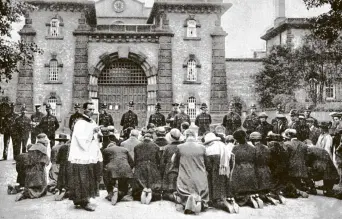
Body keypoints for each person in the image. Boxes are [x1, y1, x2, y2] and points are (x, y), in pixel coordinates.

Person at [68, 101, 103, 211]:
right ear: (84, 110)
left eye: (93, 109)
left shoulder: (91, 121)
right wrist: (93, 132)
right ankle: (83, 201)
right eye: (90, 109)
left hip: (89, 154)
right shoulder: (80, 122)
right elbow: (81, 139)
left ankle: (83, 199)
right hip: (81, 155)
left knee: (88, 177)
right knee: (82, 178)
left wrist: (98, 133)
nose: (92, 112)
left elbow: (95, 136)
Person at [172, 129, 209, 214]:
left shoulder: (180, 147)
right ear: (195, 136)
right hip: (200, 177)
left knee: (183, 189)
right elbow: (207, 164)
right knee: (201, 190)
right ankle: (200, 200)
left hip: (185, 176)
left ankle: (188, 200)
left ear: (186, 136)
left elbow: (175, 162)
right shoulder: (203, 147)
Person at [203, 132, 237, 213]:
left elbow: (207, 164)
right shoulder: (222, 145)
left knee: (213, 181)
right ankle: (224, 197)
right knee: (223, 180)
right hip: (224, 166)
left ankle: (215, 199)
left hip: (214, 164)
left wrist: (208, 169)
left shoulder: (208, 148)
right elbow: (230, 156)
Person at [230, 130, 262, 208]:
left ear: (236, 139)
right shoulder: (253, 148)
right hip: (251, 170)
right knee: (249, 187)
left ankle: (245, 199)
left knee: (238, 190)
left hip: (239, 170)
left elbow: (232, 160)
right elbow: (256, 160)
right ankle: (251, 196)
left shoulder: (235, 148)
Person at [15, 134, 50, 201]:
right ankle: (27, 194)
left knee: (30, 185)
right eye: (46, 139)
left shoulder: (32, 146)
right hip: (38, 170)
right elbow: (46, 161)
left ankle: (24, 192)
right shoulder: (43, 148)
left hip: (30, 169)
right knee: (40, 188)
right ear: (43, 140)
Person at [102, 132, 134, 205]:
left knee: (106, 175)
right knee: (124, 183)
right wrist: (128, 169)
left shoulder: (106, 150)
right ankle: (120, 193)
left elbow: (104, 163)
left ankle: (111, 192)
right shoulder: (124, 149)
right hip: (126, 168)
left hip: (112, 168)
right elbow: (131, 162)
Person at [249, 132, 279, 205]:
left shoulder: (253, 149)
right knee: (265, 188)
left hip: (257, 170)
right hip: (266, 170)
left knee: (258, 189)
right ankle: (269, 197)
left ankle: (262, 198)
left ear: (252, 140)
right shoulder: (266, 147)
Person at [132, 133, 162, 204]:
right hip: (152, 166)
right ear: (151, 138)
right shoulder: (156, 146)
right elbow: (158, 159)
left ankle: (142, 191)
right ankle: (151, 192)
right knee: (153, 182)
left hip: (140, 166)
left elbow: (135, 159)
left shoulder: (137, 146)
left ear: (143, 138)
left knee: (140, 182)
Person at [283, 129, 309, 198]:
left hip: (291, 168)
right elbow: (306, 157)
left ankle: (295, 191)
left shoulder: (287, 144)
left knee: (290, 183)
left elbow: (285, 157)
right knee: (297, 181)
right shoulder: (304, 145)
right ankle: (299, 191)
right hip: (302, 168)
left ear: (289, 135)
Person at [160, 129, 184, 202]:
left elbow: (162, 162)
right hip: (181, 168)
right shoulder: (182, 146)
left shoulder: (167, 147)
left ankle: (171, 195)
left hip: (169, 169)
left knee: (167, 190)